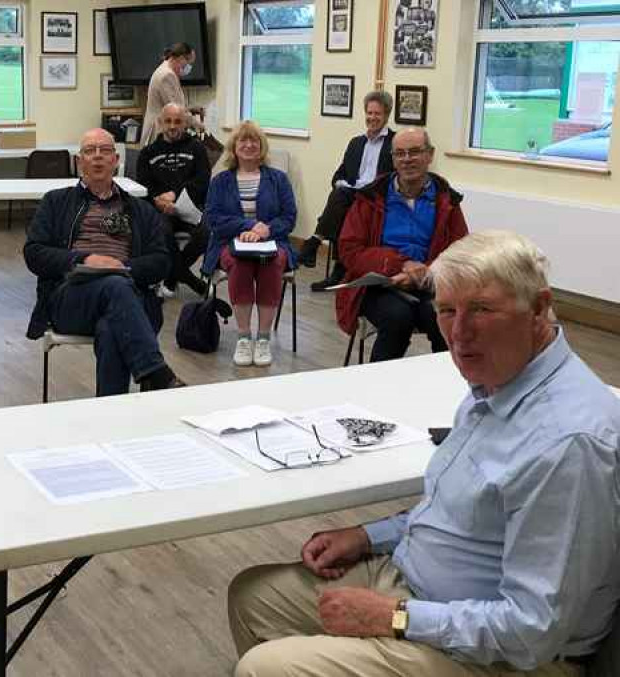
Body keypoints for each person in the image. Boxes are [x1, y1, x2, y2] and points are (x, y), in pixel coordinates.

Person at [228, 230, 620, 677]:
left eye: (482, 309)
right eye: (447, 310)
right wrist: (368, 536)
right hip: (420, 588)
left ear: (537, 308)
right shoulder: (499, 380)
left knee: (267, 668)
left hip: (508, 656)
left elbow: (532, 631)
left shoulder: (568, 442)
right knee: (253, 598)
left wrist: (393, 617)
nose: (458, 333)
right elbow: (458, 513)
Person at [24, 128, 185, 397]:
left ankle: (111, 415)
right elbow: (34, 253)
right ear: (79, 162)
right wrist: (85, 259)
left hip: (128, 297)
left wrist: (123, 268)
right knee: (114, 287)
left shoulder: (141, 209)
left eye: (105, 150)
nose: (97, 157)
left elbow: (161, 262)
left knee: (111, 327)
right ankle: (156, 373)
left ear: (116, 161)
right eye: (90, 151)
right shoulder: (56, 201)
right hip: (71, 298)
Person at [334, 127, 467, 362]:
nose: (407, 160)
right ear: (393, 159)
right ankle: (377, 391)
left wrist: (426, 273)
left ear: (430, 155)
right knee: (398, 317)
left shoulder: (447, 199)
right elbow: (349, 250)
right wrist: (402, 265)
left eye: (415, 152)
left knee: (443, 317)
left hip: (432, 283)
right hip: (378, 285)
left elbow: (461, 253)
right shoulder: (370, 196)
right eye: (400, 154)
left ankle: (449, 385)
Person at [203, 121, 296, 368]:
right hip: (229, 244)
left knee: (270, 262)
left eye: (254, 140)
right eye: (243, 140)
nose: (248, 145)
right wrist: (247, 227)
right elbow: (212, 219)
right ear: (234, 147)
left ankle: (263, 338)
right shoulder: (220, 181)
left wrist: (266, 229)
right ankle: (244, 337)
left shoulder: (278, 179)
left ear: (262, 147)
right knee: (241, 263)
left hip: (272, 243)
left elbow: (289, 217)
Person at [298, 91, 395, 291]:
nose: (372, 118)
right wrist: (340, 182)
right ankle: (338, 269)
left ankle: (316, 243)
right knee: (341, 200)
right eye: (369, 113)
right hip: (351, 198)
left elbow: (393, 179)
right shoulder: (356, 142)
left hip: (377, 199)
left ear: (386, 115)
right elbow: (338, 174)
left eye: (377, 113)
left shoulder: (394, 142)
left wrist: (354, 190)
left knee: (341, 200)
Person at [136, 103, 212, 298]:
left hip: (191, 208)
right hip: (160, 211)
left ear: (185, 123)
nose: (172, 126)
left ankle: (171, 277)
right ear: (160, 123)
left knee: (208, 232)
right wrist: (158, 201)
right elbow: (143, 186)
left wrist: (175, 195)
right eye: (168, 121)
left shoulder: (197, 148)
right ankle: (192, 281)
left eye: (177, 121)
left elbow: (202, 180)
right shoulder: (148, 152)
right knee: (161, 231)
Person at [140, 42, 205, 146]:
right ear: (180, 58)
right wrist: (198, 125)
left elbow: (170, 104)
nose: (189, 67)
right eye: (188, 63)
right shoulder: (167, 75)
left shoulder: (165, 70)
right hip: (160, 132)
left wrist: (191, 109)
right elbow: (176, 110)